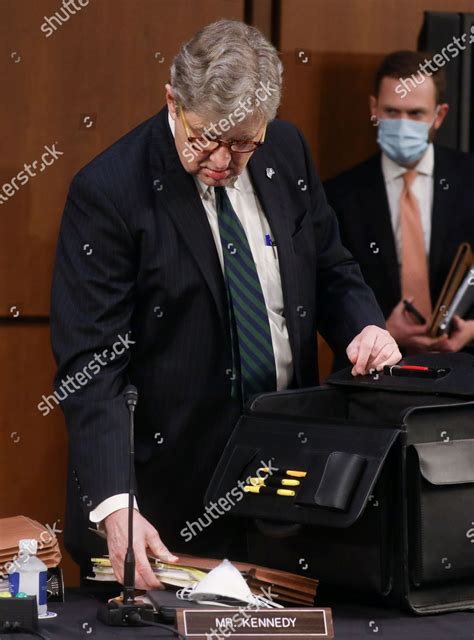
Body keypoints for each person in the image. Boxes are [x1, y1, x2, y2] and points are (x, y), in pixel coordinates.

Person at [50, 20, 400, 590]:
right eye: (203, 138)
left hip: (289, 487)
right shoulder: (110, 192)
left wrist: (364, 325)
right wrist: (116, 505)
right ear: (173, 100)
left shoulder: (286, 151)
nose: (220, 160)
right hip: (165, 507)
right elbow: (92, 369)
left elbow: (331, 266)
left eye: (242, 142)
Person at [325, 51, 474, 368]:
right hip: (373, 374)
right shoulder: (339, 194)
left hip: (464, 371)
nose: (402, 124)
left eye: (416, 113)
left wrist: (472, 330)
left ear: (439, 115)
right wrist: (381, 330)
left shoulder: (469, 178)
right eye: (392, 111)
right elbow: (328, 290)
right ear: (374, 108)